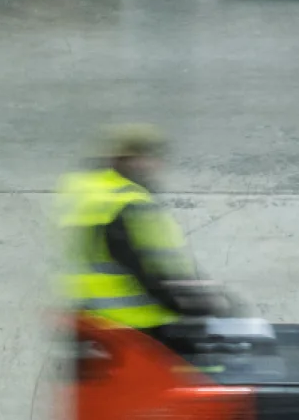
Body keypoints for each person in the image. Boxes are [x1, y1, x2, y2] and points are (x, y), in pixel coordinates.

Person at [55, 128, 229, 339]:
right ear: (127, 160)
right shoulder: (125, 201)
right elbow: (144, 269)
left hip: (94, 323)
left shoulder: (91, 192)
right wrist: (199, 307)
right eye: (149, 157)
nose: (156, 165)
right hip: (136, 328)